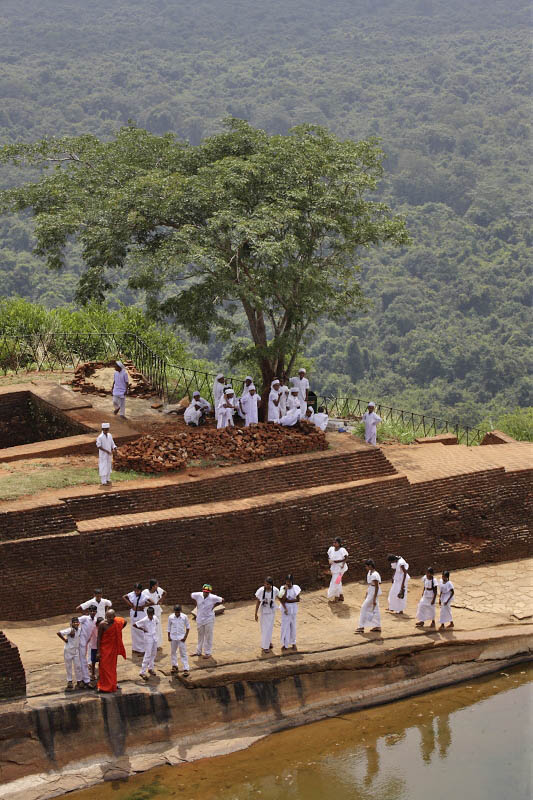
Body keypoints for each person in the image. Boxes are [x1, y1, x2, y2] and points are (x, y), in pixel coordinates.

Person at [96, 609, 127, 693]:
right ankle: (103, 686)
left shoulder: (117, 622)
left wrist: (119, 629)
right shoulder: (102, 624)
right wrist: (98, 651)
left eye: (111, 617)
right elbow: (98, 638)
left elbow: (125, 622)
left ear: (114, 617)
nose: (109, 619)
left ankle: (113, 684)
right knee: (103, 667)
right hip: (104, 649)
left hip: (113, 648)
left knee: (112, 668)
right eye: (107, 617)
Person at [191, 584, 224, 659]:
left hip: (209, 619)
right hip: (199, 618)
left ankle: (208, 653)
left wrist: (214, 606)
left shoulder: (213, 597)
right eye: (204, 592)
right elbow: (192, 595)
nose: (205, 593)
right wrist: (196, 604)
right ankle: (198, 651)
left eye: (207, 592)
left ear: (209, 592)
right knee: (200, 635)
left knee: (208, 636)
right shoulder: (198, 595)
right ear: (202, 590)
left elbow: (222, 600)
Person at [133, 606, 159, 680]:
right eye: (149, 614)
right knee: (148, 654)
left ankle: (150, 668)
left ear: (153, 613)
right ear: (147, 614)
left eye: (151, 614)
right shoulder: (144, 620)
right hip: (148, 638)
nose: (150, 616)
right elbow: (135, 624)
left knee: (154, 653)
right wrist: (143, 629)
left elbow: (156, 623)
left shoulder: (155, 618)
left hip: (154, 637)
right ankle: (142, 672)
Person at [254, 577, 279, 654]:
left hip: (271, 612)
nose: (266, 585)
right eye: (265, 584)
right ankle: (265, 646)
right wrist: (256, 613)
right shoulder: (261, 590)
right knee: (265, 629)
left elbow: (280, 597)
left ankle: (268, 642)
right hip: (264, 613)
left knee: (270, 628)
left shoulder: (275, 590)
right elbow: (258, 602)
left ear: (271, 585)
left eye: (267, 584)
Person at [356, 559, 382, 633]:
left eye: (366, 566)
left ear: (370, 566)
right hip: (371, 590)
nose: (366, 568)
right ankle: (377, 626)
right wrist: (367, 592)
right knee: (375, 609)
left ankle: (361, 627)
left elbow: (377, 586)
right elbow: (370, 584)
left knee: (364, 607)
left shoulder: (375, 574)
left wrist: (374, 599)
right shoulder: (369, 573)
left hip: (374, 592)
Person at [57, 617, 83, 691]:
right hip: (68, 650)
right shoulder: (69, 630)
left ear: (79, 623)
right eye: (74, 622)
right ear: (71, 624)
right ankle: (70, 681)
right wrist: (65, 640)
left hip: (76, 650)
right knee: (68, 666)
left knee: (78, 666)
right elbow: (59, 633)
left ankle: (79, 680)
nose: (76, 623)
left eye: (77, 622)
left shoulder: (80, 630)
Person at [122, 583, 148, 654]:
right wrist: (130, 605)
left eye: (138, 591)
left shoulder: (144, 596)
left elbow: (152, 601)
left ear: (141, 590)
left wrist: (144, 606)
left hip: (141, 614)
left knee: (141, 631)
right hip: (133, 613)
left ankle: (143, 649)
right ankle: (136, 648)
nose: (136, 592)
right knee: (134, 631)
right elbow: (124, 597)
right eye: (135, 590)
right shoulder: (131, 594)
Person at [279, 574, 301, 651]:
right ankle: (285, 644)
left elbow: (298, 599)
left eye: (289, 582)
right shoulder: (282, 588)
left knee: (293, 626)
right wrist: (285, 590)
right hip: (285, 610)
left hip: (293, 609)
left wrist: (289, 601)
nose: (288, 583)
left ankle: (293, 643)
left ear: (292, 582)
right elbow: (282, 599)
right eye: (287, 581)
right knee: (285, 627)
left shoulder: (296, 588)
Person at [141, 579, 166, 647]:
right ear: (152, 586)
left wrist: (161, 600)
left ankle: (157, 645)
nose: (157, 586)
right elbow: (143, 600)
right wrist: (150, 604)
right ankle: (148, 644)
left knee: (157, 628)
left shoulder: (158, 590)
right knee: (149, 628)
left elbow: (165, 593)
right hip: (148, 612)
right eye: (156, 585)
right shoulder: (145, 592)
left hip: (157, 611)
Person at [167, 604, 190, 677]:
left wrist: (185, 637)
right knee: (173, 652)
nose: (177, 613)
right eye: (176, 612)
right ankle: (174, 666)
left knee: (183, 653)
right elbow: (168, 627)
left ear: (180, 611)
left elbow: (188, 627)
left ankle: (186, 669)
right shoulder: (170, 617)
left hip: (181, 638)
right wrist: (169, 636)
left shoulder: (184, 617)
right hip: (173, 637)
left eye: (178, 612)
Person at [78, 605, 98, 687]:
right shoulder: (85, 618)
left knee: (84, 660)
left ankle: (84, 678)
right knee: (82, 660)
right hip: (81, 641)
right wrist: (77, 632)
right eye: (91, 611)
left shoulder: (96, 620)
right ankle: (85, 679)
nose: (92, 613)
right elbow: (74, 622)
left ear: (96, 612)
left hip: (88, 641)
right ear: (88, 612)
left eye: (94, 611)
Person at [327, 537, 348, 602]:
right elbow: (328, 556)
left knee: (335, 582)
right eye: (333, 542)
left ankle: (336, 597)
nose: (334, 543)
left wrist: (342, 563)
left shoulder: (342, 550)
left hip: (340, 569)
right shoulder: (331, 549)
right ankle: (341, 596)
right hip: (334, 568)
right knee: (338, 582)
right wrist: (330, 561)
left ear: (339, 543)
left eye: (335, 542)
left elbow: (346, 557)